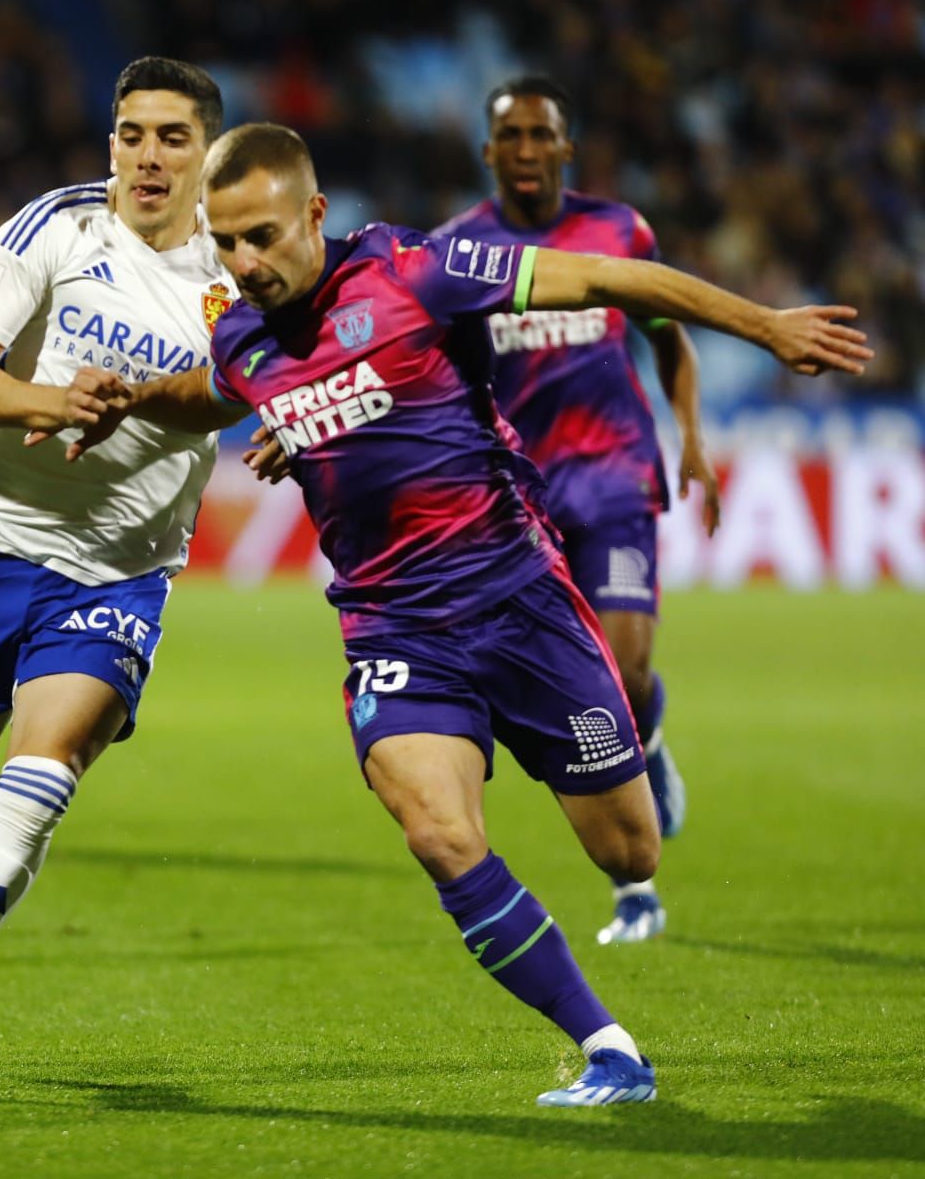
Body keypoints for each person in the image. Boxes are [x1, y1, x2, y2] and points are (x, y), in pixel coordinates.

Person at [72, 123, 868, 1107]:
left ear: (315, 213)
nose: (244, 263)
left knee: (631, 848)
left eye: (263, 237)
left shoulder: (422, 271)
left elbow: (609, 279)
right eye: (225, 241)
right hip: (393, 628)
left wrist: (766, 325)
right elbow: (216, 387)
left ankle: (631, 754)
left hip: (517, 599)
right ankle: (609, 1046)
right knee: (441, 833)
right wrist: (139, 401)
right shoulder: (232, 317)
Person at [0, 57, 251, 1091]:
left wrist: (165, 402)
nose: (147, 158)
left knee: (37, 788)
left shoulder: (236, 267)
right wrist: (50, 400)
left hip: (119, 572)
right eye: (130, 134)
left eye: (171, 138)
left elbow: (235, 390)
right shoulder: (56, 228)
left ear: (208, 153)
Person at [435, 76, 719, 945]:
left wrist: (693, 437)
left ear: (566, 146)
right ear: (488, 151)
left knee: (627, 674)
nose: (525, 151)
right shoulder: (457, 252)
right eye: (510, 136)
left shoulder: (617, 232)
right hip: (521, 496)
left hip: (617, 479)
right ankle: (632, 875)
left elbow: (668, 336)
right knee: (573, 686)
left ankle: (648, 734)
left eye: (540, 135)